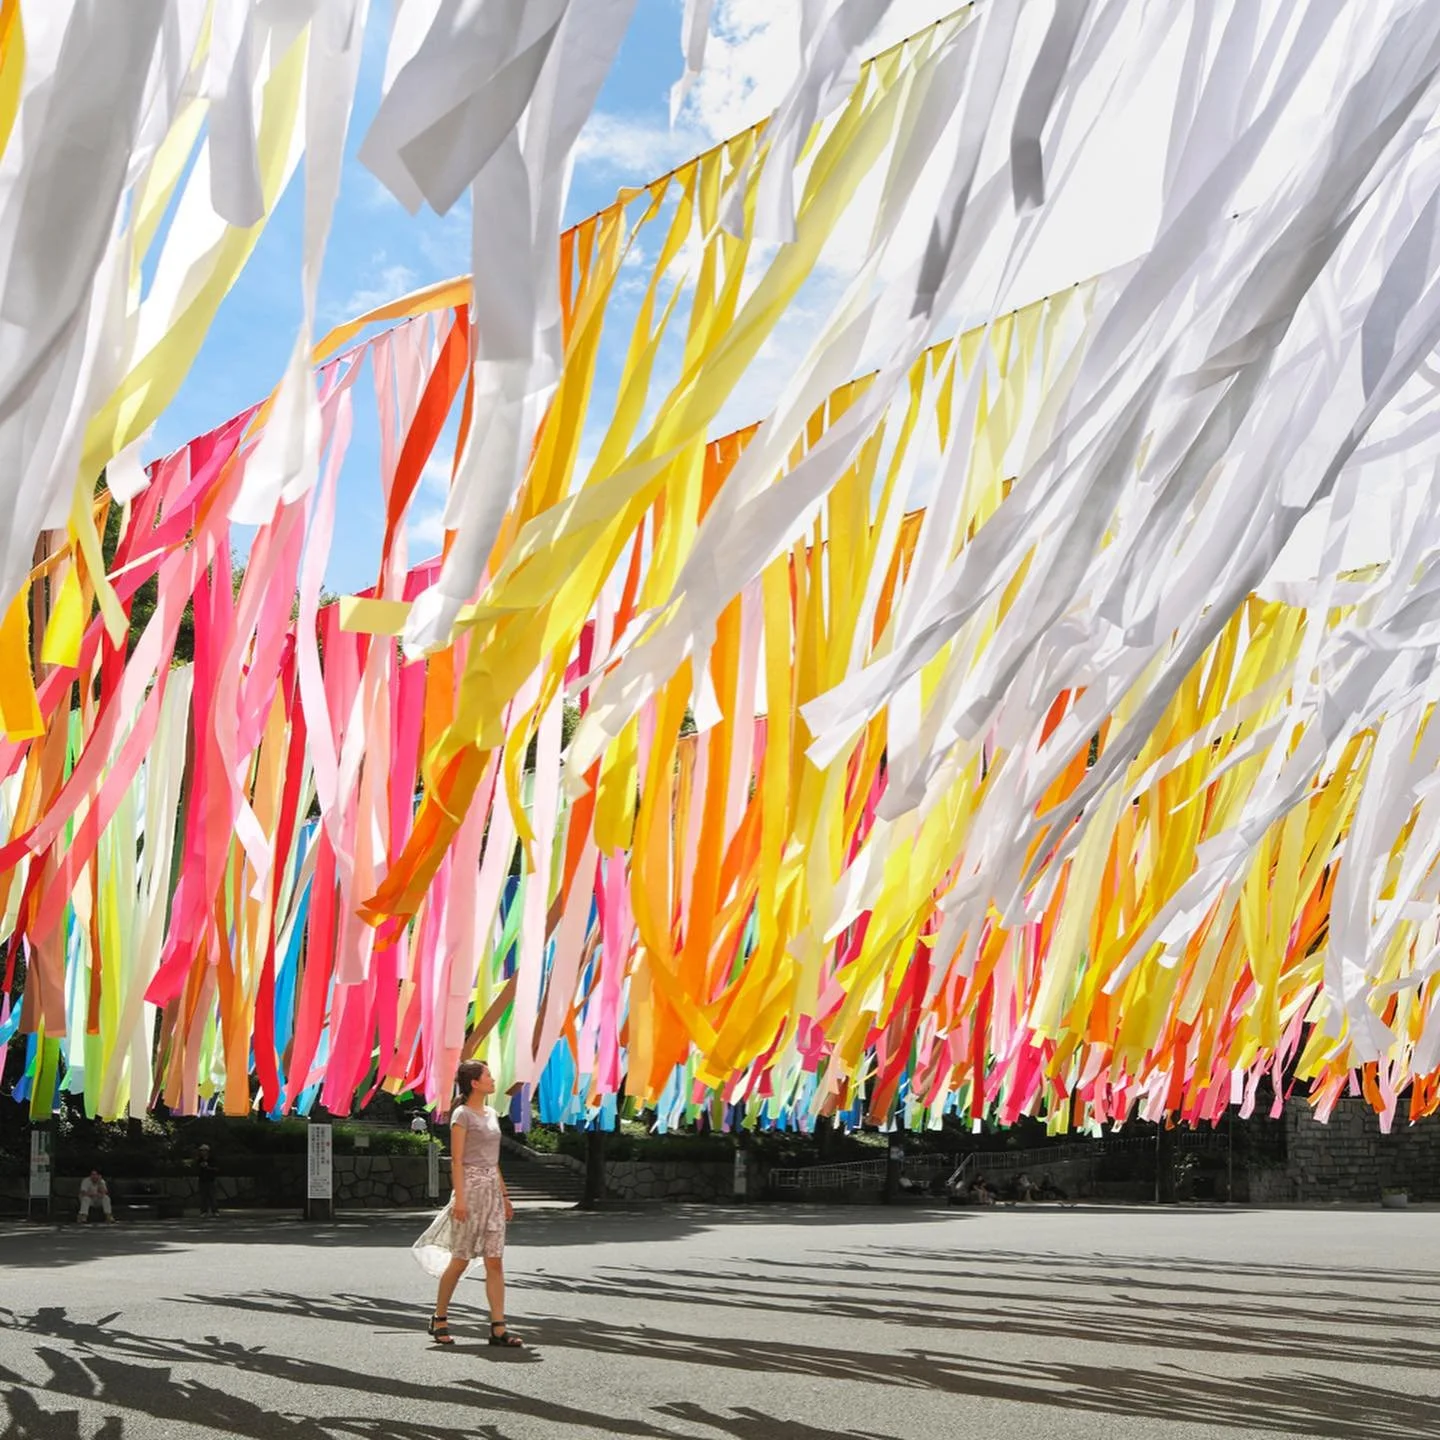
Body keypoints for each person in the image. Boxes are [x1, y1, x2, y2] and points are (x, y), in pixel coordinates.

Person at [411, 1060, 521, 1348]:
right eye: (488, 1075)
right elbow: (457, 1160)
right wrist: (459, 1198)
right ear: (474, 1082)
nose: (493, 1079)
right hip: (469, 1191)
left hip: (492, 1194)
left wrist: (506, 1197)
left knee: (495, 1261)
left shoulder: (492, 1114)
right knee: (460, 1260)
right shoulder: (462, 1114)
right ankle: (439, 1317)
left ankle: (498, 1327)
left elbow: (493, 1161)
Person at [196, 1146, 219, 1217]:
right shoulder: (199, 1160)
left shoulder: (212, 1160)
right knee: (203, 1197)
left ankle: (215, 1211)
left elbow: (216, 1169)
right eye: (201, 1151)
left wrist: (208, 1167)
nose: (203, 1152)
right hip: (202, 1180)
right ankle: (203, 1211)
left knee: (212, 1196)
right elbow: (196, 1169)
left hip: (211, 1180)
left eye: (204, 1151)